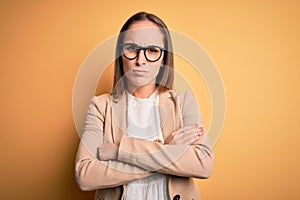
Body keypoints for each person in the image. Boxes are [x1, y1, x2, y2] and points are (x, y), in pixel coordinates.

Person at [75, 12, 214, 200]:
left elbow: (203, 164)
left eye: (152, 50)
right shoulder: (101, 106)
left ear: (164, 58)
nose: (141, 60)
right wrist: (166, 149)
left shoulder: (184, 103)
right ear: (121, 55)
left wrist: (120, 151)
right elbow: (85, 175)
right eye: (132, 48)